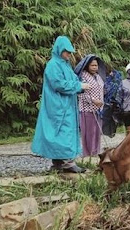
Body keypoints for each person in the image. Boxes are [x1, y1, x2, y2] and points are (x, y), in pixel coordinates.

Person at [31, 36, 89, 173]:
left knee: (64, 132)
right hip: (58, 106)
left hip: (67, 104)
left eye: (70, 52)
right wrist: (79, 86)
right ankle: (68, 163)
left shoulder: (65, 65)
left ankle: (59, 162)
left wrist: (79, 87)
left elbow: (72, 81)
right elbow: (59, 84)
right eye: (66, 51)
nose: (69, 54)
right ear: (59, 50)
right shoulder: (53, 65)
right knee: (63, 132)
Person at [74, 54, 106, 157]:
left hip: (98, 109)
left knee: (97, 132)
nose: (94, 67)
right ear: (87, 66)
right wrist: (93, 101)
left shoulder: (98, 77)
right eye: (92, 65)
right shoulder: (83, 76)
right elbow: (81, 94)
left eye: (96, 65)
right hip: (87, 109)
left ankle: (96, 153)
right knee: (89, 132)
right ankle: (88, 154)